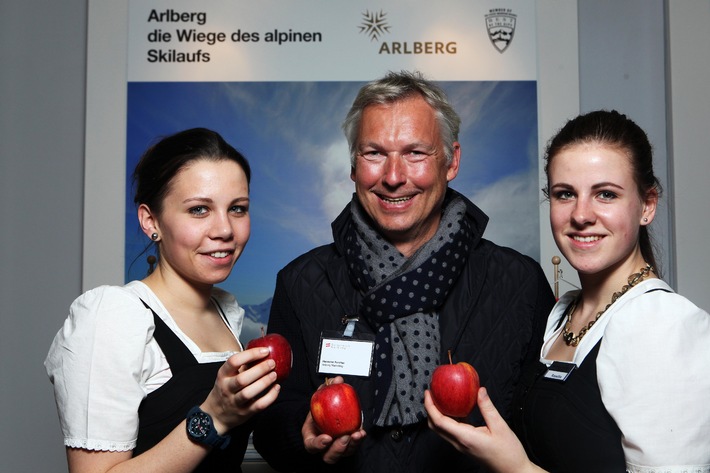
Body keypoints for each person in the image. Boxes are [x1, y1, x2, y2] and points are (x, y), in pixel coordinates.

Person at [252, 70, 556, 472]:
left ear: (451, 161)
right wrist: (302, 433)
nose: (393, 177)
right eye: (374, 153)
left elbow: (547, 429)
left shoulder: (519, 283)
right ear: (353, 166)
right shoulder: (301, 281)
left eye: (415, 153)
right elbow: (270, 425)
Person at [424, 110, 710, 472]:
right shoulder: (564, 313)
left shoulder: (662, 324)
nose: (581, 214)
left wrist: (517, 468)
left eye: (606, 194)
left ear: (647, 205)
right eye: (565, 194)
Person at [45, 128, 281, 473]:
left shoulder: (226, 314)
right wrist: (213, 417)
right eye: (199, 209)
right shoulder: (113, 318)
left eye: (238, 209)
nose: (225, 229)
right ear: (150, 220)